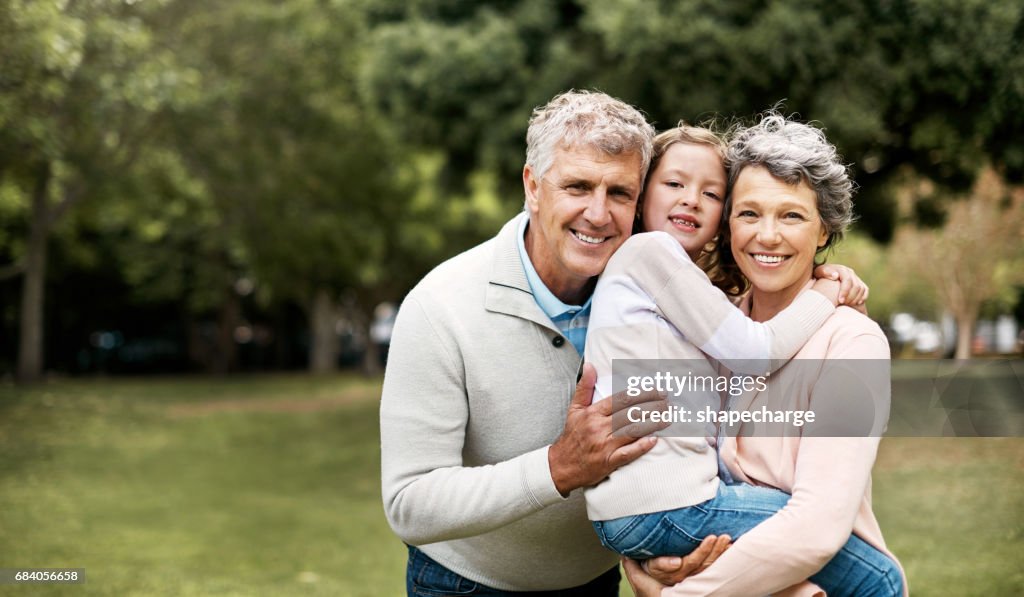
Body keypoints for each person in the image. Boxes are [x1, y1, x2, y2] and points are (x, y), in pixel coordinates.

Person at [380, 91, 866, 595]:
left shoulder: (656, 291)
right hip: (469, 583)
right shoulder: (441, 308)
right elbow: (410, 503)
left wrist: (658, 552)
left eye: (619, 193)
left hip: (596, 577)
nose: (597, 213)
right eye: (577, 186)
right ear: (532, 186)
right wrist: (557, 468)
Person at [622, 114, 906, 596]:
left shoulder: (853, 344)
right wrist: (661, 563)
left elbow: (815, 527)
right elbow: (658, 471)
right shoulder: (707, 334)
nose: (767, 235)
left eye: (792, 215)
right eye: (749, 213)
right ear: (727, 223)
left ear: (823, 232)